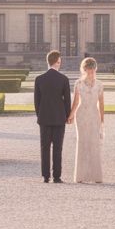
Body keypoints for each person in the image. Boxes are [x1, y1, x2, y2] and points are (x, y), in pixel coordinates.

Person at [34, 49, 71, 183]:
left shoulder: (39, 79)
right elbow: (67, 100)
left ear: (48, 62)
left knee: (44, 148)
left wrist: (40, 116)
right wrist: (67, 116)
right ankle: (56, 176)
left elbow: (37, 101)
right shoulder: (63, 79)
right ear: (58, 61)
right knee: (57, 148)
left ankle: (45, 176)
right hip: (59, 118)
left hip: (44, 118)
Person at [67, 57, 104, 183]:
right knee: (82, 142)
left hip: (94, 114)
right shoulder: (78, 84)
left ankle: (96, 176)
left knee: (94, 143)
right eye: (89, 69)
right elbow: (76, 102)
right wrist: (70, 116)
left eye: (93, 69)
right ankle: (81, 176)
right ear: (84, 70)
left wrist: (102, 122)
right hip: (81, 115)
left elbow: (101, 104)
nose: (92, 71)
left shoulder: (99, 84)